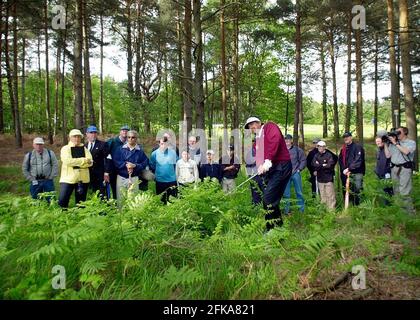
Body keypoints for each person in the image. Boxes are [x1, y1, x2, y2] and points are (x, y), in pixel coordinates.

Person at [245, 116, 292, 231]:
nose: (252, 127)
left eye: (253, 124)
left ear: (259, 122)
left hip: (282, 166)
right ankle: (279, 227)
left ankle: (270, 229)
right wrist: (260, 166)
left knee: (268, 198)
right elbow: (259, 157)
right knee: (272, 200)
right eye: (249, 126)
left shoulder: (269, 126)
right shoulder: (257, 139)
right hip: (272, 170)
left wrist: (268, 160)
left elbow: (274, 141)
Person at [384, 127, 416, 214]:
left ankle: (409, 214)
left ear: (405, 133)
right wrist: (386, 144)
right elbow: (387, 155)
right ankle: (400, 214)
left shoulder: (411, 142)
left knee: (404, 192)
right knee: (396, 191)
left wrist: (395, 143)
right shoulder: (393, 143)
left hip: (405, 169)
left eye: (399, 132)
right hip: (394, 168)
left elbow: (406, 152)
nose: (397, 134)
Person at [58, 129, 93, 208]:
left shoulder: (85, 149)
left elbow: (90, 162)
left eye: (78, 137)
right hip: (68, 179)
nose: (77, 138)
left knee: (81, 203)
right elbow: (67, 161)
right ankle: (64, 217)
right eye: (74, 137)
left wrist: (77, 162)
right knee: (62, 200)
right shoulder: (65, 149)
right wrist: (83, 161)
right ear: (70, 137)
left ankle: (79, 218)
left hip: (83, 179)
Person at [113, 130, 149, 204]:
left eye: (133, 137)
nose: (130, 139)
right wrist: (126, 165)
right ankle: (121, 214)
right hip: (121, 177)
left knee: (133, 200)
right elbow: (116, 161)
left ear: (136, 138)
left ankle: (132, 215)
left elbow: (145, 163)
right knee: (121, 200)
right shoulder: (120, 149)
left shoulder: (140, 151)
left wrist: (135, 165)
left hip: (134, 178)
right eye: (128, 137)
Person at [22, 137, 59, 201]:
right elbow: (24, 168)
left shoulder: (50, 153)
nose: (38, 146)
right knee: (35, 200)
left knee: (51, 200)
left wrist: (51, 176)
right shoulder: (29, 155)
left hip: (48, 180)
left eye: (40, 144)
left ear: (43, 145)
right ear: (33, 145)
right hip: (35, 181)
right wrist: (30, 178)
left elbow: (55, 165)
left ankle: (51, 210)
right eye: (37, 144)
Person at [338, 132, 366, 207]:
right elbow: (340, 160)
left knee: (357, 189)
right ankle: (349, 206)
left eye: (347, 137)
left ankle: (358, 206)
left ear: (351, 137)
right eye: (344, 137)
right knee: (347, 190)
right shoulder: (343, 148)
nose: (346, 138)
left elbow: (358, 160)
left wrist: (349, 168)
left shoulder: (357, 147)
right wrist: (344, 170)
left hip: (357, 172)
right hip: (346, 173)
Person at [150, 137, 179, 204]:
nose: (164, 146)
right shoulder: (154, 154)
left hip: (172, 180)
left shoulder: (173, 152)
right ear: (159, 144)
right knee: (161, 201)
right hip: (160, 180)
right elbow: (152, 165)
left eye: (165, 144)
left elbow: (177, 164)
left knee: (173, 200)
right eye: (162, 144)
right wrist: (157, 173)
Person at [283, 134, 307, 214]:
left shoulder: (297, 150)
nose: (287, 141)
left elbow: (303, 160)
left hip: (295, 173)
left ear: (291, 140)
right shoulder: (281, 151)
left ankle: (301, 210)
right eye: (286, 139)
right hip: (285, 174)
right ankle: (287, 211)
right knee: (286, 193)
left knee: (299, 192)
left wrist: (299, 169)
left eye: (289, 139)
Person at [85, 126, 110, 200]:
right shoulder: (84, 146)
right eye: (91, 132)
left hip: (100, 174)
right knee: (89, 194)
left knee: (101, 194)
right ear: (87, 134)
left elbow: (108, 159)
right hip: (87, 174)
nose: (93, 134)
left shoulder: (103, 144)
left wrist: (106, 173)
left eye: (95, 132)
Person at [105, 125, 130, 199]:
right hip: (113, 169)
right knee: (114, 188)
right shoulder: (112, 142)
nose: (125, 132)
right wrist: (106, 171)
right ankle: (115, 205)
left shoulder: (130, 142)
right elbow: (106, 156)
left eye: (127, 131)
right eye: (123, 130)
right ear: (120, 132)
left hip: (125, 170)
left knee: (125, 189)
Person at [312, 141, 337, 210]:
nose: (320, 148)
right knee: (323, 195)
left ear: (324, 147)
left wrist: (319, 165)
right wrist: (322, 165)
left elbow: (329, 165)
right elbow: (313, 164)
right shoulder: (316, 155)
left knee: (330, 195)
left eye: (322, 146)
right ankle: (324, 210)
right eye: (319, 146)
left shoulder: (329, 155)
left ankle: (331, 211)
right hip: (320, 178)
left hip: (328, 178)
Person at [245, 139, 265, 205]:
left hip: (264, 176)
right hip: (254, 176)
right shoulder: (250, 153)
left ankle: (267, 208)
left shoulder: (264, 151)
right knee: (255, 193)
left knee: (265, 192)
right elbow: (248, 165)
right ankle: (256, 208)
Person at [375, 136, 393, 202]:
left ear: (383, 141)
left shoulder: (387, 148)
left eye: (379, 141)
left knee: (388, 190)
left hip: (387, 173)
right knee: (383, 190)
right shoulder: (378, 150)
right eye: (376, 142)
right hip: (379, 173)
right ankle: (386, 206)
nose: (378, 143)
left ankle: (390, 206)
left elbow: (388, 157)